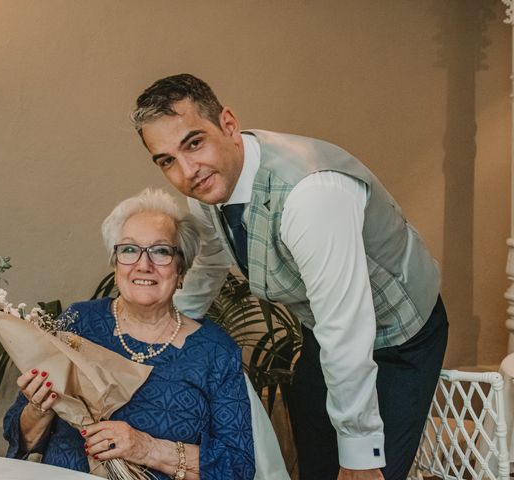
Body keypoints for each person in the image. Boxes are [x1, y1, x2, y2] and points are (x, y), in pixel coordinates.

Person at [130, 73, 449, 480]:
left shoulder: (310, 195)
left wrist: (361, 454)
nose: (187, 171)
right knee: (314, 452)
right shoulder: (210, 189)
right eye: (167, 161)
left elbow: (346, 327)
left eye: (194, 143)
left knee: (369, 469)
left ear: (228, 124)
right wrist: (161, 334)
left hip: (401, 334)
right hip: (324, 328)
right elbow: (210, 263)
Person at [3, 188, 256, 479]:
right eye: (129, 250)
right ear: (115, 264)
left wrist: (147, 448)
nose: (143, 265)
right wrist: (39, 407)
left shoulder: (216, 352)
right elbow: (18, 436)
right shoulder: (79, 322)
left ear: (181, 269)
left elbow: (238, 468)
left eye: (161, 251)